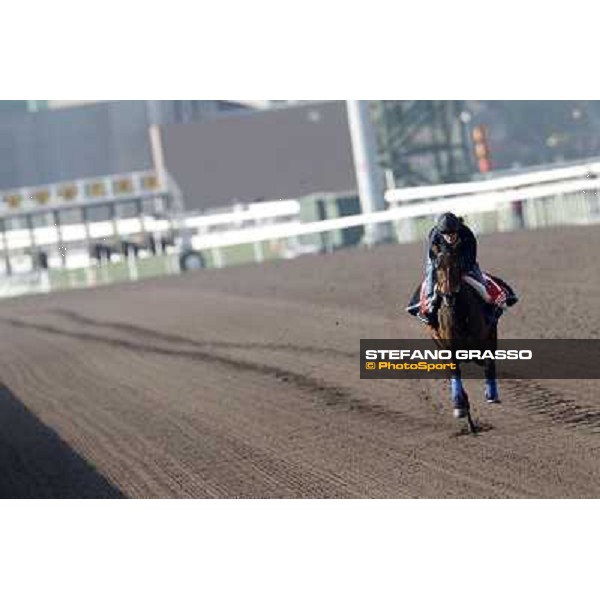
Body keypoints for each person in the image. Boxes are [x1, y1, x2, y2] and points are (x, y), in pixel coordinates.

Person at [422, 212, 486, 325]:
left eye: (452, 234)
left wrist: (459, 269)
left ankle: (489, 303)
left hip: (462, 258)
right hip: (440, 259)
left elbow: (471, 259)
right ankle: (429, 303)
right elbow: (432, 256)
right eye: (446, 235)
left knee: (477, 275)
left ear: (458, 230)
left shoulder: (467, 234)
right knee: (430, 274)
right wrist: (440, 265)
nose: (450, 237)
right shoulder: (435, 235)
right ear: (441, 233)